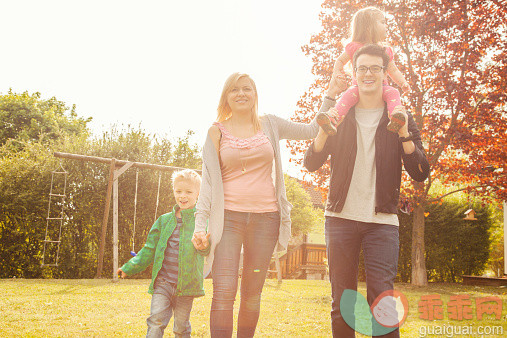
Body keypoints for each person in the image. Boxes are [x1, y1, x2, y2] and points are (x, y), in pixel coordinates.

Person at [191, 72, 330, 337]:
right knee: (223, 292)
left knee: (252, 293)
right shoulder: (215, 132)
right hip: (228, 220)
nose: (241, 93)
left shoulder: (270, 125)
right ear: (226, 97)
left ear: (255, 95)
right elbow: (207, 184)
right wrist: (200, 227)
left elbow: (313, 129)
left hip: (266, 220)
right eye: (234, 90)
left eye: (247, 88)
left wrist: (332, 91)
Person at [304, 44, 429, 337]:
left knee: (382, 301)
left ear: (385, 73)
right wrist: (324, 129)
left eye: (375, 68)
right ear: (355, 73)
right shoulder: (341, 114)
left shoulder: (400, 116)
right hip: (340, 219)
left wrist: (403, 135)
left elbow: (420, 172)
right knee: (343, 302)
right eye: (362, 68)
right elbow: (311, 162)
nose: (368, 73)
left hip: (382, 222)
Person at [117, 169, 209, 338]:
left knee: (181, 327)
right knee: (156, 320)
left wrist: (203, 246)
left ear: (198, 194)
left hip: (186, 285)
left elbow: (207, 251)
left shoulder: (201, 222)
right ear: (173, 191)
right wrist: (129, 267)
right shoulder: (164, 220)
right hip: (163, 283)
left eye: (188, 192)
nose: (183, 196)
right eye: (178, 191)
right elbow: (149, 249)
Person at [317, 6, 411, 136]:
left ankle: (396, 117)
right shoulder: (354, 47)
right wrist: (338, 74)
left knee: (394, 93)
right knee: (346, 98)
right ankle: (333, 121)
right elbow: (339, 61)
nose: (386, 26)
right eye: (382, 22)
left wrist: (403, 83)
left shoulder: (386, 50)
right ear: (369, 27)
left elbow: (393, 70)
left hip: (381, 87)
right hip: (358, 88)